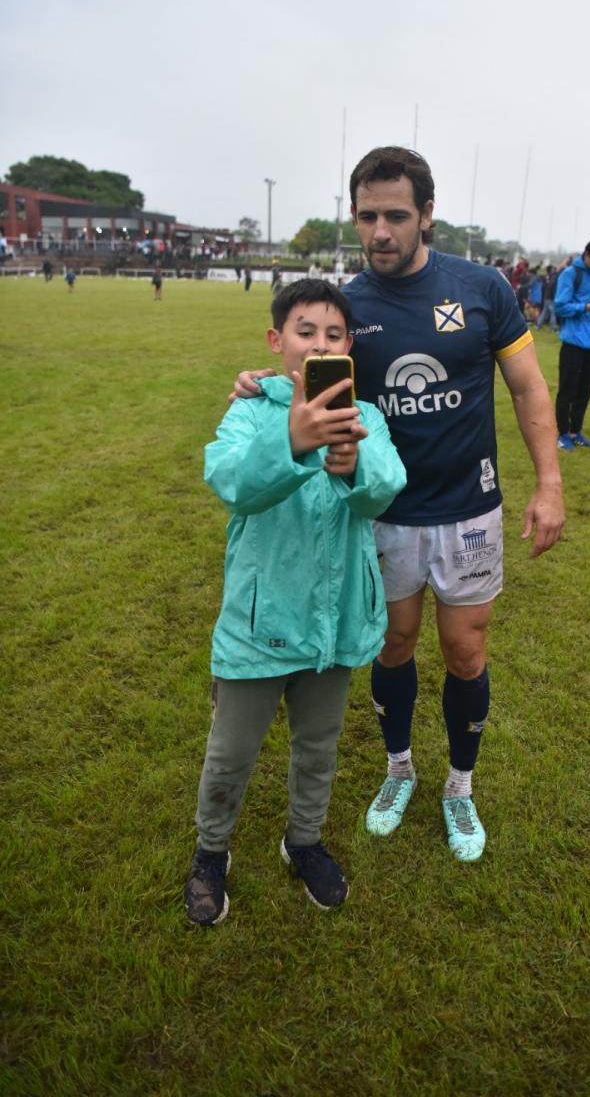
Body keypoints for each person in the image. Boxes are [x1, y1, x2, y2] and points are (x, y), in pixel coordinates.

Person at [233, 146, 565, 863]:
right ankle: (399, 771)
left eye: (395, 215)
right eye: (367, 217)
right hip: (384, 511)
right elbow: (307, 361)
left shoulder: (482, 288)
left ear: (427, 215)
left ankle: (460, 786)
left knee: (466, 651)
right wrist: (261, 381)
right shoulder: (350, 305)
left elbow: (528, 387)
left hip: (471, 507)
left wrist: (550, 485)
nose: (379, 231)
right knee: (395, 645)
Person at [184, 278, 406, 924]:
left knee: (319, 747)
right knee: (230, 754)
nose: (320, 344)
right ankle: (210, 851)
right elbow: (233, 483)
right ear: (276, 340)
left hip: (334, 624)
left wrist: (354, 462)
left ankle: (304, 840)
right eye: (305, 331)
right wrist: (293, 440)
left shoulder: (367, 417)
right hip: (259, 623)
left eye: (334, 335)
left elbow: (386, 488)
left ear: (349, 348)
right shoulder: (251, 410)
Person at [553, 238, 590, 451]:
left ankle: (575, 431)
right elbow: (560, 307)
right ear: (586, 254)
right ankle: (562, 434)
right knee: (567, 391)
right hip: (573, 345)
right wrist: (586, 307)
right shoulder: (570, 274)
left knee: (585, 392)